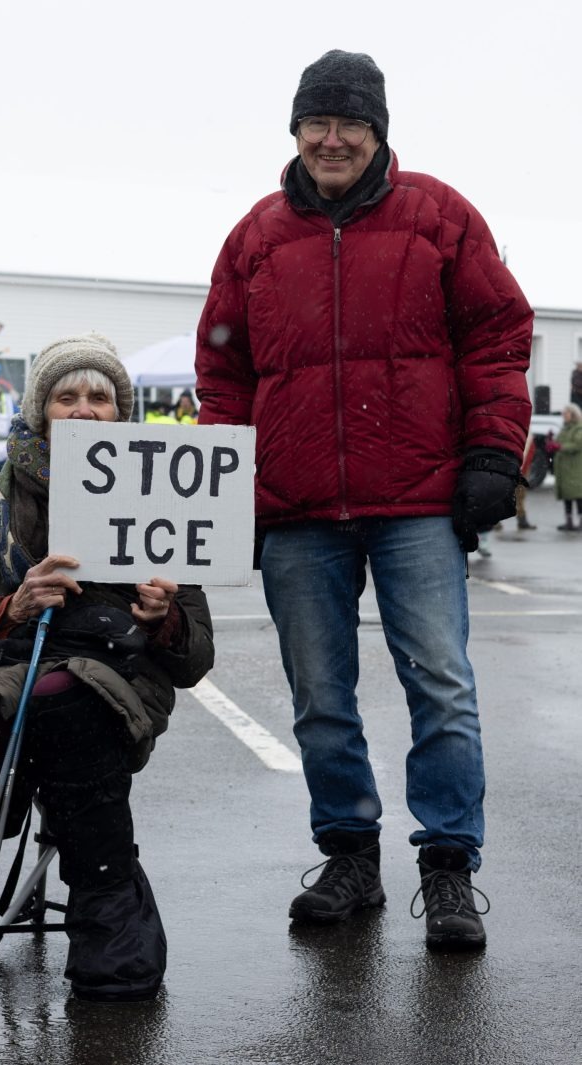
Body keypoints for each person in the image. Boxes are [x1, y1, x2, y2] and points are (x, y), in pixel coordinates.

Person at [195, 50, 532, 950]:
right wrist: (231, 486)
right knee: (319, 696)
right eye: (318, 122)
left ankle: (450, 867)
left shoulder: (439, 217)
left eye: (351, 123)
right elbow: (222, 372)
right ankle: (348, 853)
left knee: (443, 687)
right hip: (300, 512)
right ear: (296, 130)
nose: (333, 138)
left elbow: (497, 336)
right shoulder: (256, 238)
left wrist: (496, 450)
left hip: (417, 502)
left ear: (379, 131)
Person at [0, 333, 214, 1002]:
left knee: (66, 696)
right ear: (41, 411)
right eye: (68, 395)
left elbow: (196, 658)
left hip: (113, 680)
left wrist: (163, 618)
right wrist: (10, 604)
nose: (86, 409)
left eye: (101, 396)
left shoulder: (160, 494)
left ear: (120, 414)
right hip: (1, 673)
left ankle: (104, 891)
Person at [548, 403, 582, 531]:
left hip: (575, 469)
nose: (563, 416)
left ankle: (580, 521)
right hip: (565, 468)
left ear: (573, 414)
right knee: (567, 496)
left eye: (565, 413)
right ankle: (569, 521)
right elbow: (559, 442)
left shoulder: (579, 428)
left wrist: (560, 447)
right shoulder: (565, 428)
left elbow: (577, 445)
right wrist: (551, 441)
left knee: (578, 496)